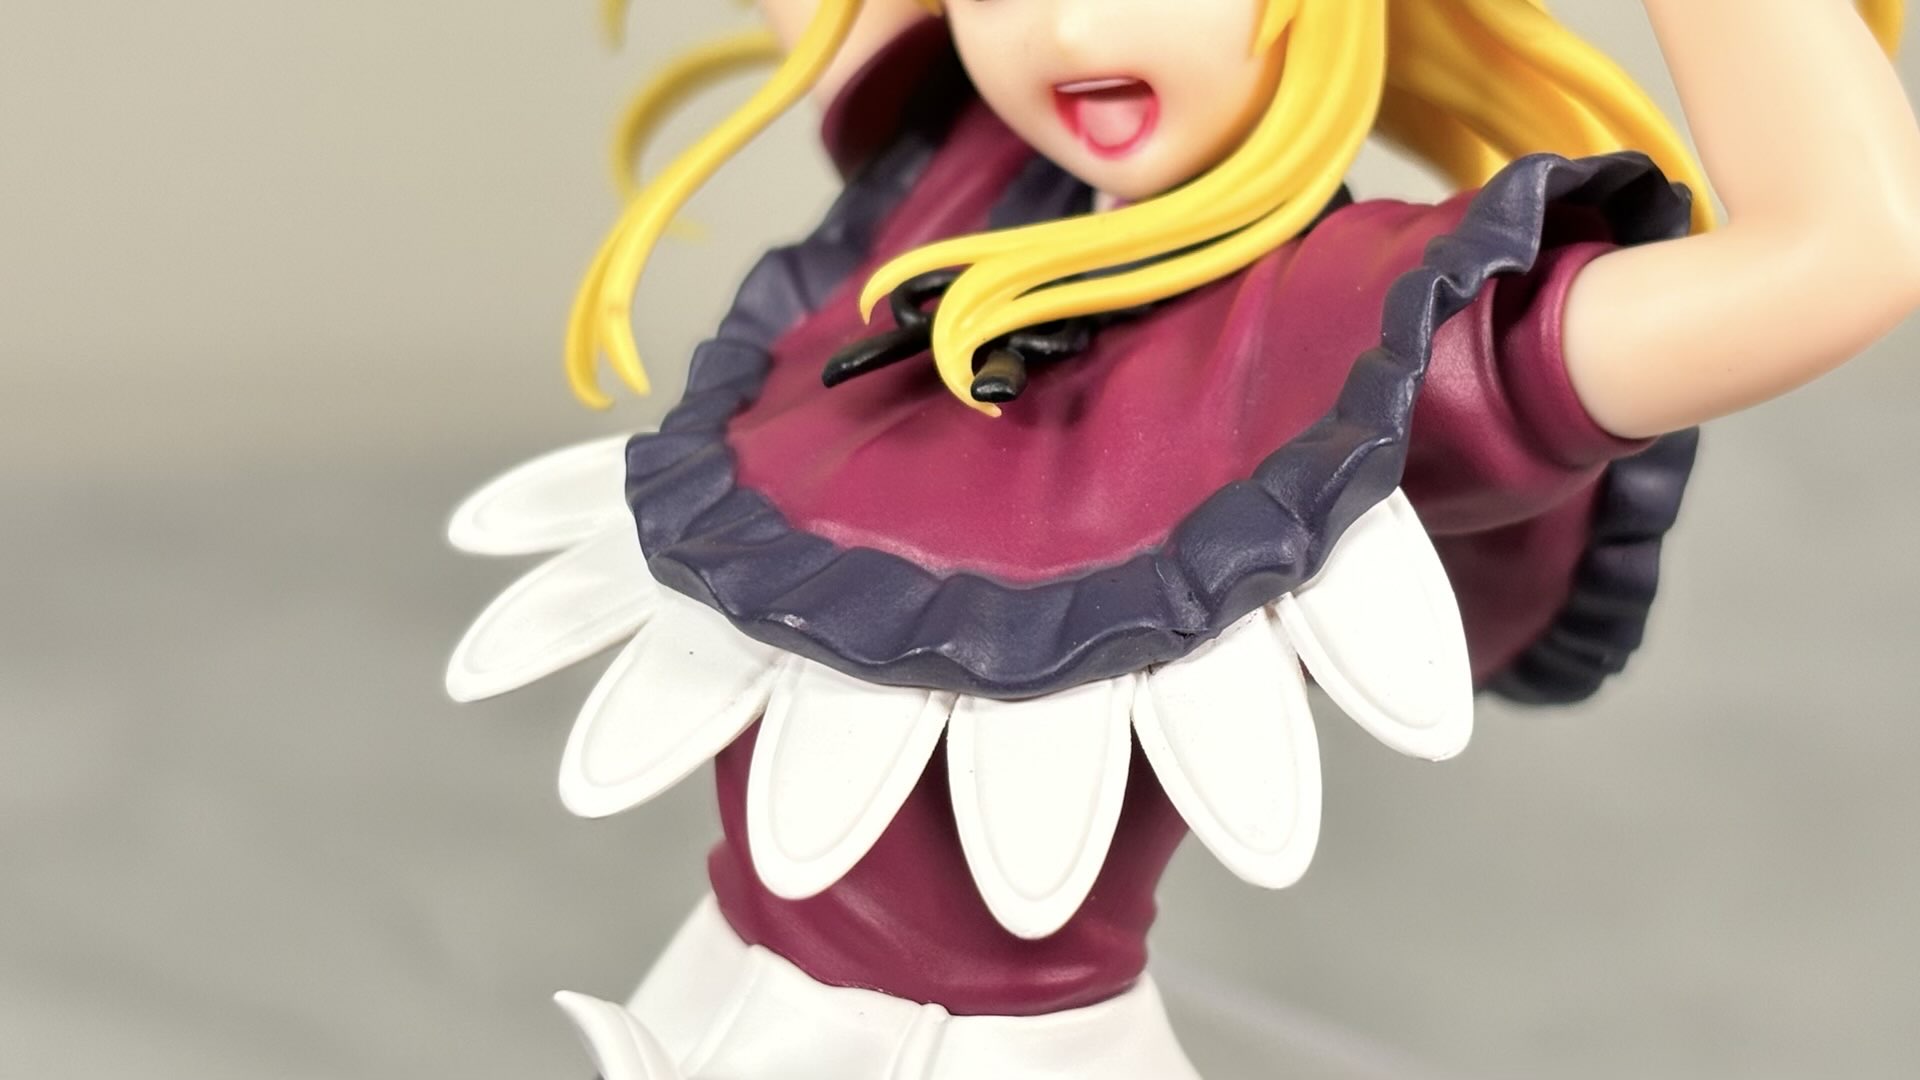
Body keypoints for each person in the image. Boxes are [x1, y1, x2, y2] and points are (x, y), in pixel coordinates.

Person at [446, 2, 1919, 1076]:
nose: (1072, 27)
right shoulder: (952, 195)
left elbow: (1840, 254)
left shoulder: (1365, 334)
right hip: (706, 1010)